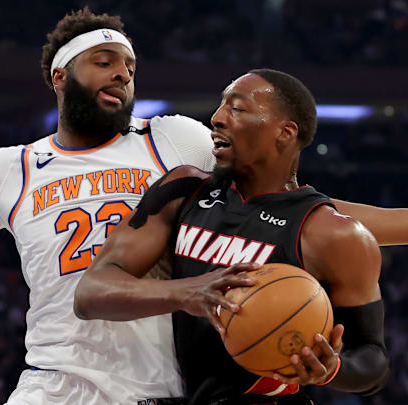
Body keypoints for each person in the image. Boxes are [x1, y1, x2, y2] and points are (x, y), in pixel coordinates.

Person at [0, 8, 408, 405]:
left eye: (129, 66)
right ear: (60, 75)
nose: (121, 74)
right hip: (52, 384)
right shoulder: (6, 166)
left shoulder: (172, 140)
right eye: (104, 62)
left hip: (163, 388)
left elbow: (307, 208)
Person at [74, 69, 390, 404]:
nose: (217, 118)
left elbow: (374, 360)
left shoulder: (333, 233)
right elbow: (90, 294)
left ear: (285, 132)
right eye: (221, 106)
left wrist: (333, 370)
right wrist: (184, 293)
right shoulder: (183, 190)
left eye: (237, 109)